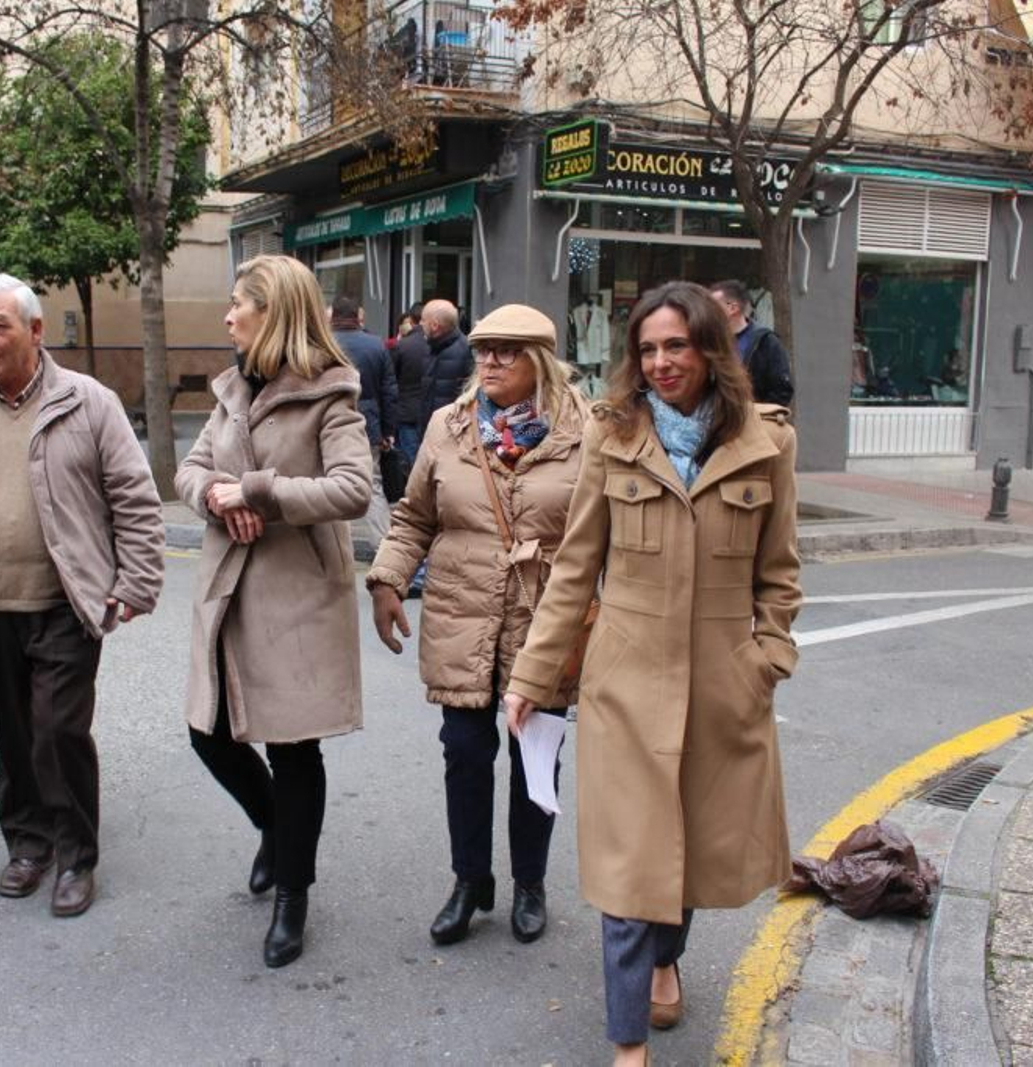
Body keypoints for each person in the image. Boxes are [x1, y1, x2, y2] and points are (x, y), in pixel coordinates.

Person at [502, 281, 802, 1063]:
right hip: (626, 686)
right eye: (647, 349)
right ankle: (627, 1042)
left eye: (677, 345)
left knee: (693, 851)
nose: (662, 362)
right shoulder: (613, 435)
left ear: (712, 348)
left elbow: (781, 573)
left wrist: (766, 659)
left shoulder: (768, 441)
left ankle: (669, 956)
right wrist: (532, 677)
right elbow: (574, 569)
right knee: (632, 861)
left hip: (721, 689)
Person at [0, 273, 165, 919]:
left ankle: (77, 855)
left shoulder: (89, 402)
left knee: (58, 732)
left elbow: (134, 497)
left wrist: (135, 581)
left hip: (65, 602)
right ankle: (27, 843)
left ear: (35, 331)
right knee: (14, 734)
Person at [366, 304, 589, 948]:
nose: (487, 361)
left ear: (540, 362)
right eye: (483, 349)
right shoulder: (449, 425)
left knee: (533, 759)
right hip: (461, 614)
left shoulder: (586, 431)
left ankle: (530, 884)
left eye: (506, 352)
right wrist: (386, 578)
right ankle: (469, 881)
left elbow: (607, 534)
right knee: (464, 754)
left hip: (545, 620)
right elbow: (414, 517)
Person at [175, 254, 372, 969]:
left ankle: (294, 892)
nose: (227, 317)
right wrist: (213, 496)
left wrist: (256, 492)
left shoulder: (331, 393)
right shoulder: (232, 387)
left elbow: (354, 490)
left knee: (293, 749)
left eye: (238, 305)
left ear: (274, 312)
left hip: (295, 597)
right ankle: (274, 830)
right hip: (229, 589)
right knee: (210, 733)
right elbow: (191, 469)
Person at [329, 295, 398, 539]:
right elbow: (389, 391)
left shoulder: (321, 343)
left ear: (332, 316)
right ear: (357, 317)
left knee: (330, 483)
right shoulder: (376, 345)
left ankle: (336, 545)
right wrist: (388, 431)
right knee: (373, 484)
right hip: (369, 424)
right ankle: (385, 545)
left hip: (327, 423)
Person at [709, 279, 794, 405]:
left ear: (733, 308)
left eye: (713, 306)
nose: (708, 311)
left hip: (754, 420)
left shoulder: (766, 342)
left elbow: (782, 389)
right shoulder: (709, 342)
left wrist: (758, 414)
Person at [419, 299, 474, 432]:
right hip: (432, 431)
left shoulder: (464, 351)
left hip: (450, 433)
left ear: (434, 325)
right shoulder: (432, 348)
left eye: (423, 319)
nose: (420, 324)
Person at [391, 302, 430, 464]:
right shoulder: (439, 345)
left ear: (411, 321)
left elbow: (392, 379)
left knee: (410, 457)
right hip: (431, 409)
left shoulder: (402, 346)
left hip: (406, 410)